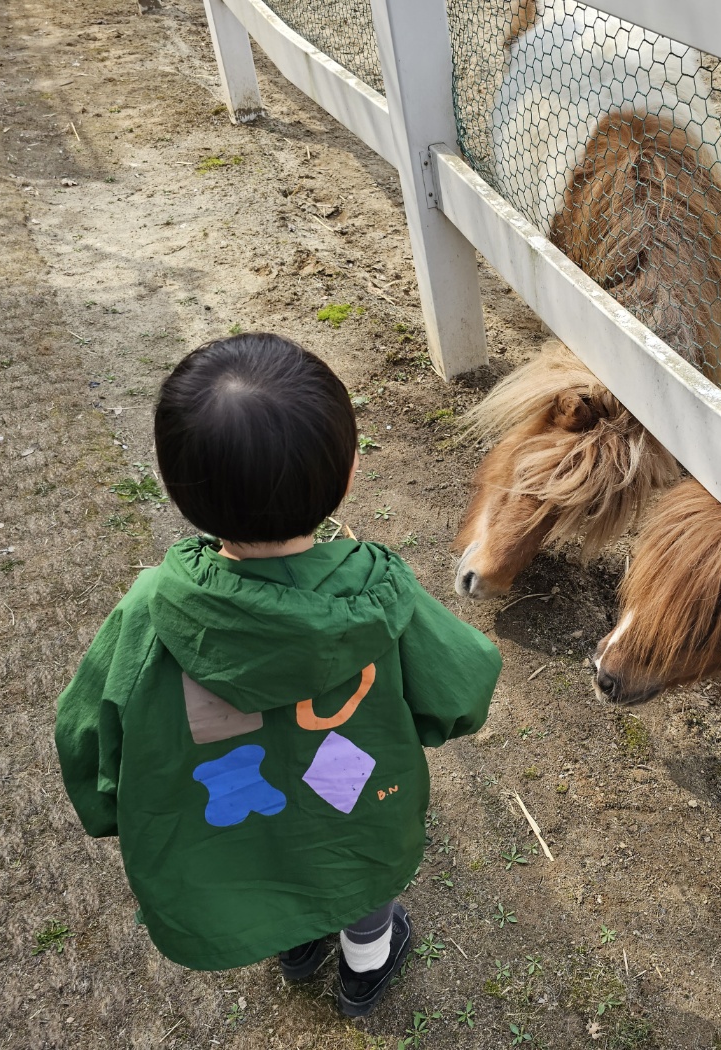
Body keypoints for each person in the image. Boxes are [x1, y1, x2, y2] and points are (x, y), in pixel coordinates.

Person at [54, 333, 502, 1016]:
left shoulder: (150, 611)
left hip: (232, 827)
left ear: (179, 487)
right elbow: (464, 688)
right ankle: (365, 969)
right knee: (356, 866)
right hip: (354, 810)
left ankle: (294, 944)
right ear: (350, 473)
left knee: (269, 855)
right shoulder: (380, 598)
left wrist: (115, 806)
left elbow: (87, 733)